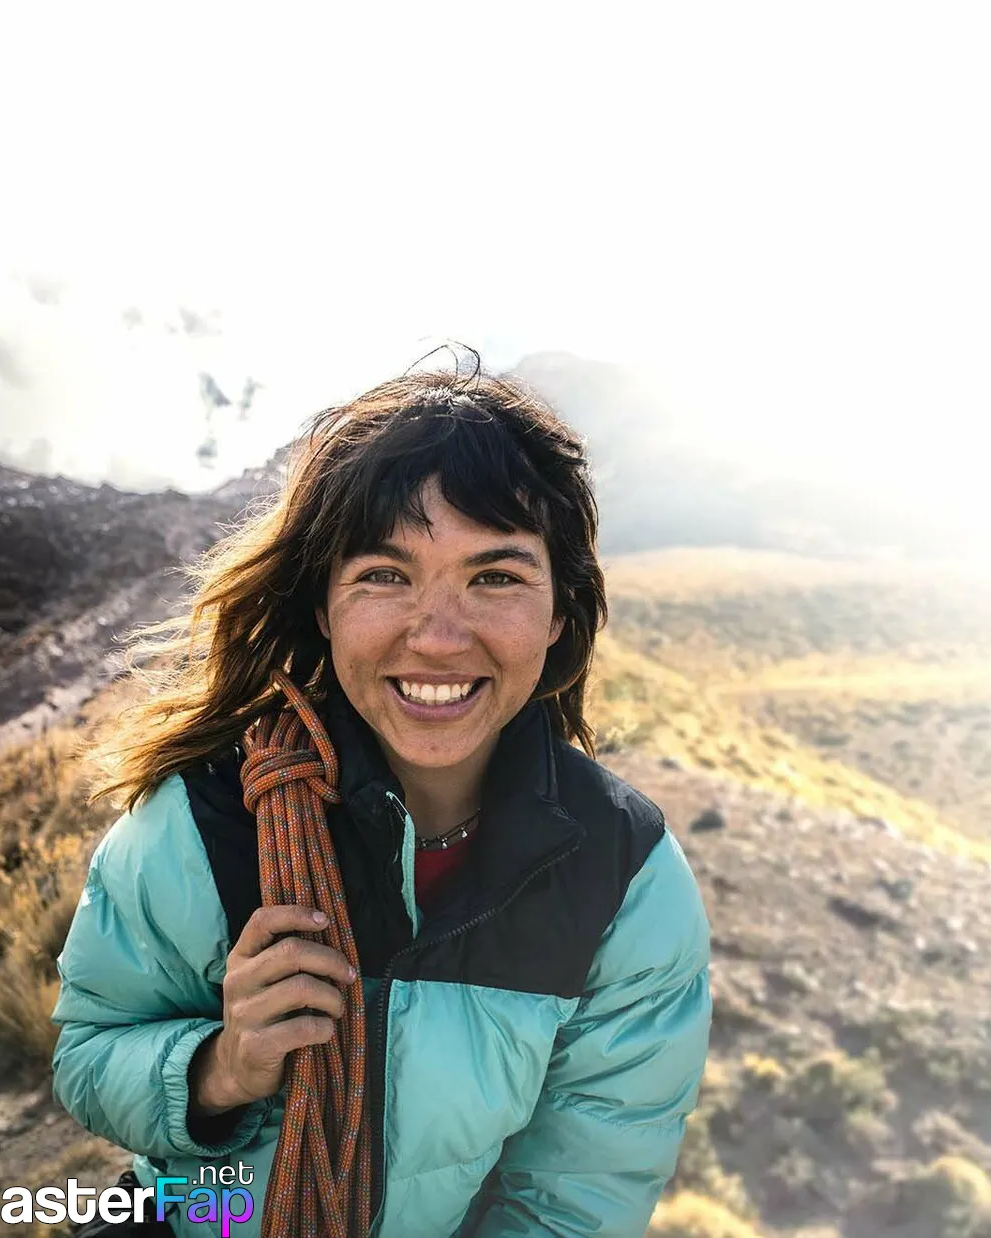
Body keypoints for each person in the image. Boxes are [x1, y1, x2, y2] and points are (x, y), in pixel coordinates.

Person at [50, 352, 713, 1238]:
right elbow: (88, 1056)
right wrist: (222, 1067)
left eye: (496, 577)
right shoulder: (201, 822)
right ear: (323, 607)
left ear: (559, 614)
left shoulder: (623, 878)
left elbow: (575, 1203)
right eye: (384, 575)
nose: (437, 638)